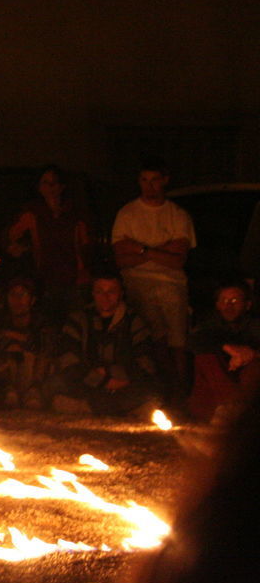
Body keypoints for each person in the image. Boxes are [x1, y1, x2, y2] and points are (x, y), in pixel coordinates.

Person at [111, 156, 196, 403]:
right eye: (144, 180)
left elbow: (177, 259)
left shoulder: (178, 215)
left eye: (155, 180)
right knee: (153, 340)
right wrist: (161, 251)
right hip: (138, 284)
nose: (149, 186)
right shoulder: (127, 213)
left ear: (165, 181)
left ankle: (181, 393)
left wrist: (140, 249)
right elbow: (120, 258)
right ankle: (162, 390)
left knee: (177, 342)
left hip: (172, 285)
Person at [45, 271, 158, 417]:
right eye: (100, 291)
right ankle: (112, 409)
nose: (105, 297)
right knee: (56, 384)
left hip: (122, 384)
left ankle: (91, 408)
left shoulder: (134, 322)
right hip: (88, 384)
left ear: (121, 293)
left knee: (152, 392)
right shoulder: (78, 319)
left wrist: (111, 373)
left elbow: (146, 363)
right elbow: (68, 361)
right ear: (93, 293)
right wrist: (101, 381)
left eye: (111, 291)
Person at [5, 165, 91, 321]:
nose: (50, 187)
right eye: (45, 183)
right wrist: (20, 248)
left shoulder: (74, 212)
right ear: (39, 187)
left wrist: (83, 271)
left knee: (75, 322)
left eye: (54, 183)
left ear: (62, 186)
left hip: (73, 279)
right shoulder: (33, 213)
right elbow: (11, 237)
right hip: (45, 279)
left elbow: (84, 244)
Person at [186, 281, 260, 423]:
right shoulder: (209, 326)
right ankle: (230, 410)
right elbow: (193, 342)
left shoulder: (255, 326)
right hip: (215, 398)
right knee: (206, 358)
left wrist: (250, 354)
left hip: (246, 396)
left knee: (254, 366)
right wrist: (229, 349)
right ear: (218, 305)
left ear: (247, 305)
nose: (228, 306)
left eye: (234, 301)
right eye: (224, 301)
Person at [0, 277, 57, 409]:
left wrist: (14, 337)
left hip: (34, 375)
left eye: (23, 294)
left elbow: (45, 345)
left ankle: (34, 392)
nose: (17, 300)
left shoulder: (42, 322)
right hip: (8, 374)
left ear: (32, 300)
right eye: (13, 295)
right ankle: (9, 391)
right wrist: (8, 339)